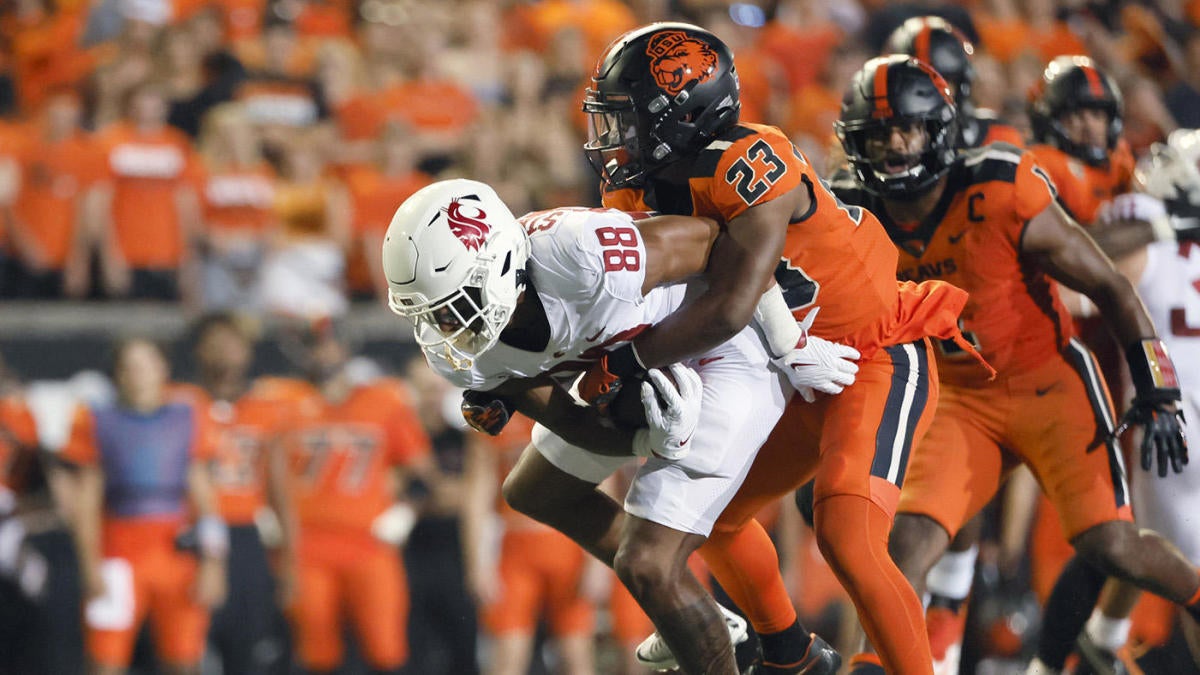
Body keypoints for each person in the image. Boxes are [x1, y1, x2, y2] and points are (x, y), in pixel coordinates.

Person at [579, 22, 970, 675]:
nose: (611, 138)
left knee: (847, 536)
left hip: (872, 351)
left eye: (627, 119)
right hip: (786, 365)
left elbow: (733, 300)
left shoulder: (749, 157)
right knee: (719, 515)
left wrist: (628, 363)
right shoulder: (638, 186)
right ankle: (790, 654)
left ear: (685, 115)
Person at [383, 177, 858, 675]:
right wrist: (646, 438)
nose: (447, 330)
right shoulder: (467, 354)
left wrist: (789, 343)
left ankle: (712, 624)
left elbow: (732, 246)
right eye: (432, 315)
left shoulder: (579, 252)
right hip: (637, 375)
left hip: (723, 341)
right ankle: (689, 611)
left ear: (499, 262)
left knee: (647, 564)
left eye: (456, 304)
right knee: (534, 491)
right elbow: (573, 422)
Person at [826, 55, 1194, 675]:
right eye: (879, 132)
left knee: (1113, 547)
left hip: (1047, 381)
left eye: (908, 129)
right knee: (904, 548)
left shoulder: (997, 186)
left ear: (939, 131)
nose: (893, 145)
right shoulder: (848, 210)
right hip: (959, 397)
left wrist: (1156, 383)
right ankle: (877, 666)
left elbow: (1109, 284)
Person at [881, 16, 1025, 670]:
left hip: (992, 330)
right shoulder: (874, 141)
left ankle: (969, 595)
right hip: (914, 320)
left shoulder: (998, 145)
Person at [271, 320, 441, 675]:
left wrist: (405, 512)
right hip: (308, 547)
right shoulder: (285, 403)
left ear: (345, 347)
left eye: (327, 343)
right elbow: (270, 478)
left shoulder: (382, 401)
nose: (321, 352)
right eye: (313, 344)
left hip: (369, 545)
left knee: (386, 652)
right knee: (317, 655)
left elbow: (423, 476)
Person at [60, 337, 227, 675]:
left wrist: (214, 560)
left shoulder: (188, 415)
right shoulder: (97, 419)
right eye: (129, 366)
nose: (139, 374)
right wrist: (89, 563)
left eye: (146, 364)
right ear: (117, 374)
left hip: (175, 550)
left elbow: (204, 495)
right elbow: (87, 500)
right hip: (118, 550)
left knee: (183, 657)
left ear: (163, 367)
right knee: (106, 658)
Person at [173, 313, 294, 675]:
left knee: (247, 648)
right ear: (198, 350)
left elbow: (280, 491)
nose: (225, 352)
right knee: (184, 648)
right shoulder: (179, 403)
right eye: (215, 342)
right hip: (187, 535)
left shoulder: (267, 408)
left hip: (244, 536)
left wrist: (289, 561)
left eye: (233, 342)